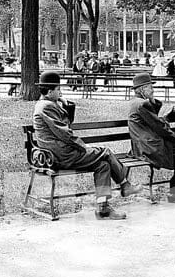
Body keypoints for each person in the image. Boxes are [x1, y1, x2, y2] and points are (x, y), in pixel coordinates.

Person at [32, 71, 140, 220]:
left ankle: (103, 209)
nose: (61, 92)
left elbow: (65, 126)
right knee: (105, 152)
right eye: (58, 89)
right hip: (61, 156)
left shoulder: (48, 104)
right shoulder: (46, 107)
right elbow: (65, 134)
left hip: (59, 154)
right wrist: (84, 148)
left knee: (103, 165)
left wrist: (67, 107)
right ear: (50, 92)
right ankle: (125, 185)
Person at [127, 73, 175, 203]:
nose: (152, 90)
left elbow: (155, 120)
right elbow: (159, 126)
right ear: (142, 89)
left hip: (144, 145)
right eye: (150, 87)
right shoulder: (141, 104)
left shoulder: (138, 102)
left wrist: (152, 100)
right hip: (150, 147)